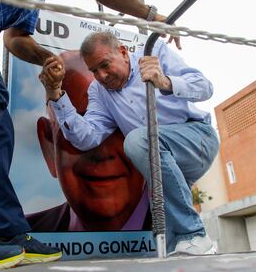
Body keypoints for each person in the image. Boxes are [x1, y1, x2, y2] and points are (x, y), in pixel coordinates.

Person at [0, 0, 183, 271]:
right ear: (47, 142)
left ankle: (6, 233)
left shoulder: (32, 0)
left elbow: (16, 39)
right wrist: (151, 14)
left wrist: (45, 57)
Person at [40, 31, 219, 255]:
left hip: (198, 138)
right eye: (94, 70)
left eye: (105, 64)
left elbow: (205, 87)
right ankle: (190, 252)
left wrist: (165, 81)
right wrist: (56, 94)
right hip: (162, 161)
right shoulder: (99, 91)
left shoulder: (154, 52)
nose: (102, 75)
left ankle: (193, 234)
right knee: (161, 208)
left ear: (123, 52)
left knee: (137, 140)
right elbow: (87, 137)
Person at [28, 51, 149, 232]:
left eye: (119, 126)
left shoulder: (178, 231)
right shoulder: (26, 234)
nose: (102, 152)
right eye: (76, 126)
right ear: (49, 146)